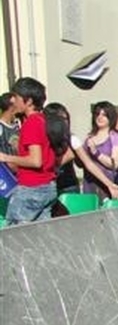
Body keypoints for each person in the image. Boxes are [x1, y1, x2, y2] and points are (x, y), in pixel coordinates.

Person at [0, 77, 57, 224]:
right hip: (48, 187)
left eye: (16, 97)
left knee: (14, 237)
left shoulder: (31, 123)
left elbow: (35, 160)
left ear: (29, 101)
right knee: (40, 239)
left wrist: (6, 157)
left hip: (31, 188)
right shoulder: (43, 120)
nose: (13, 101)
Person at [45, 103, 118, 203]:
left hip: (68, 186)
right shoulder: (41, 136)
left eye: (66, 119)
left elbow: (88, 163)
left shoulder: (72, 139)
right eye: (61, 119)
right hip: (45, 186)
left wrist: (109, 184)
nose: (65, 123)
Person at [82, 101, 118, 201]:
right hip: (90, 186)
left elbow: (114, 164)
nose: (100, 117)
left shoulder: (116, 136)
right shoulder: (89, 138)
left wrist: (96, 153)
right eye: (97, 114)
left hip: (111, 187)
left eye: (104, 115)